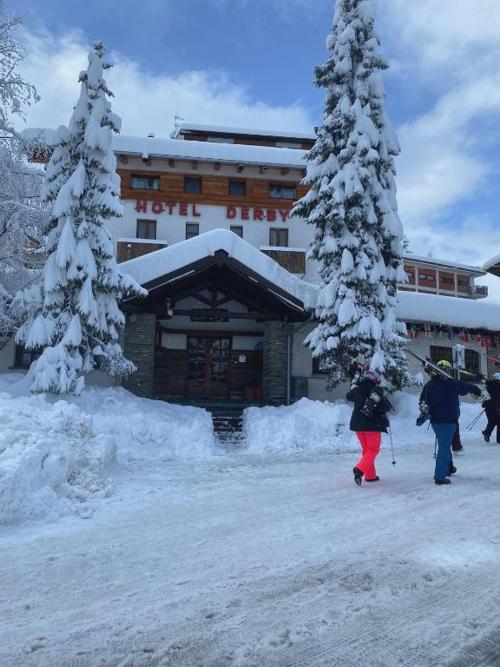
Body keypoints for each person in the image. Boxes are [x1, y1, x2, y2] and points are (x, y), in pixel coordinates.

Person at [420, 360, 481, 485]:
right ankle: (440, 476)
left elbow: (422, 401)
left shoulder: (429, 385)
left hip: (435, 421)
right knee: (444, 447)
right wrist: (477, 390)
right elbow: (468, 387)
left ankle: (448, 468)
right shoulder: (453, 383)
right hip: (448, 421)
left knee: (445, 444)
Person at [346, 369, 393, 486]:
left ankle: (370, 475)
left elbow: (349, 396)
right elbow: (386, 407)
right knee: (373, 450)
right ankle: (359, 469)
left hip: (358, 425)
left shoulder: (357, 389)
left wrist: (355, 383)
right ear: (375, 380)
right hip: (372, 425)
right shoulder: (376, 391)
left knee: (367, 450)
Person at [482, 373, 500, 443]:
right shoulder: (498, 388)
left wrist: (485, 404)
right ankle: (498, 439)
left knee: (492, 421)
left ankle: (487, 433)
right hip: (496, 407)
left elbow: (484, 397)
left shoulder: (488, 387)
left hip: (488, 408)